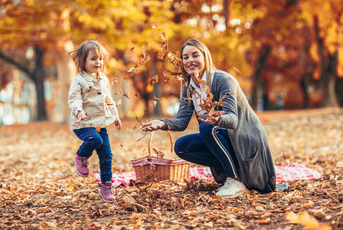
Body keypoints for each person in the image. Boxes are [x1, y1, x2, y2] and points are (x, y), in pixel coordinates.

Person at [142, 39, 276, 198]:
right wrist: (162, 123)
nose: (190, 60)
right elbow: (182, 121)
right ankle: (231, 171)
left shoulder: (223, 80)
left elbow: (232, 120)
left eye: (195, 55)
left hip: (244, 139)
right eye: (185, 57)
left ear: (205, 57)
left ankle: (235, 180)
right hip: (220, 136)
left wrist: (216, 119)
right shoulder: (188, 86)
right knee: (181, 146)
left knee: (207, 128)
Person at [68, 40, 122, 202]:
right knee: (95, 139)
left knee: (107, 155)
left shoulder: (103, 78)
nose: (98, 62)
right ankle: (81, 156)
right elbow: (74, 99)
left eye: (100, 59)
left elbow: (108, 99)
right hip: (82, 123)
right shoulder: (79, 81)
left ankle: (106, 187)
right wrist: (79, 110)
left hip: (99, 123)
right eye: (93, 59)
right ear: (83, 61)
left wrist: (115, 116)